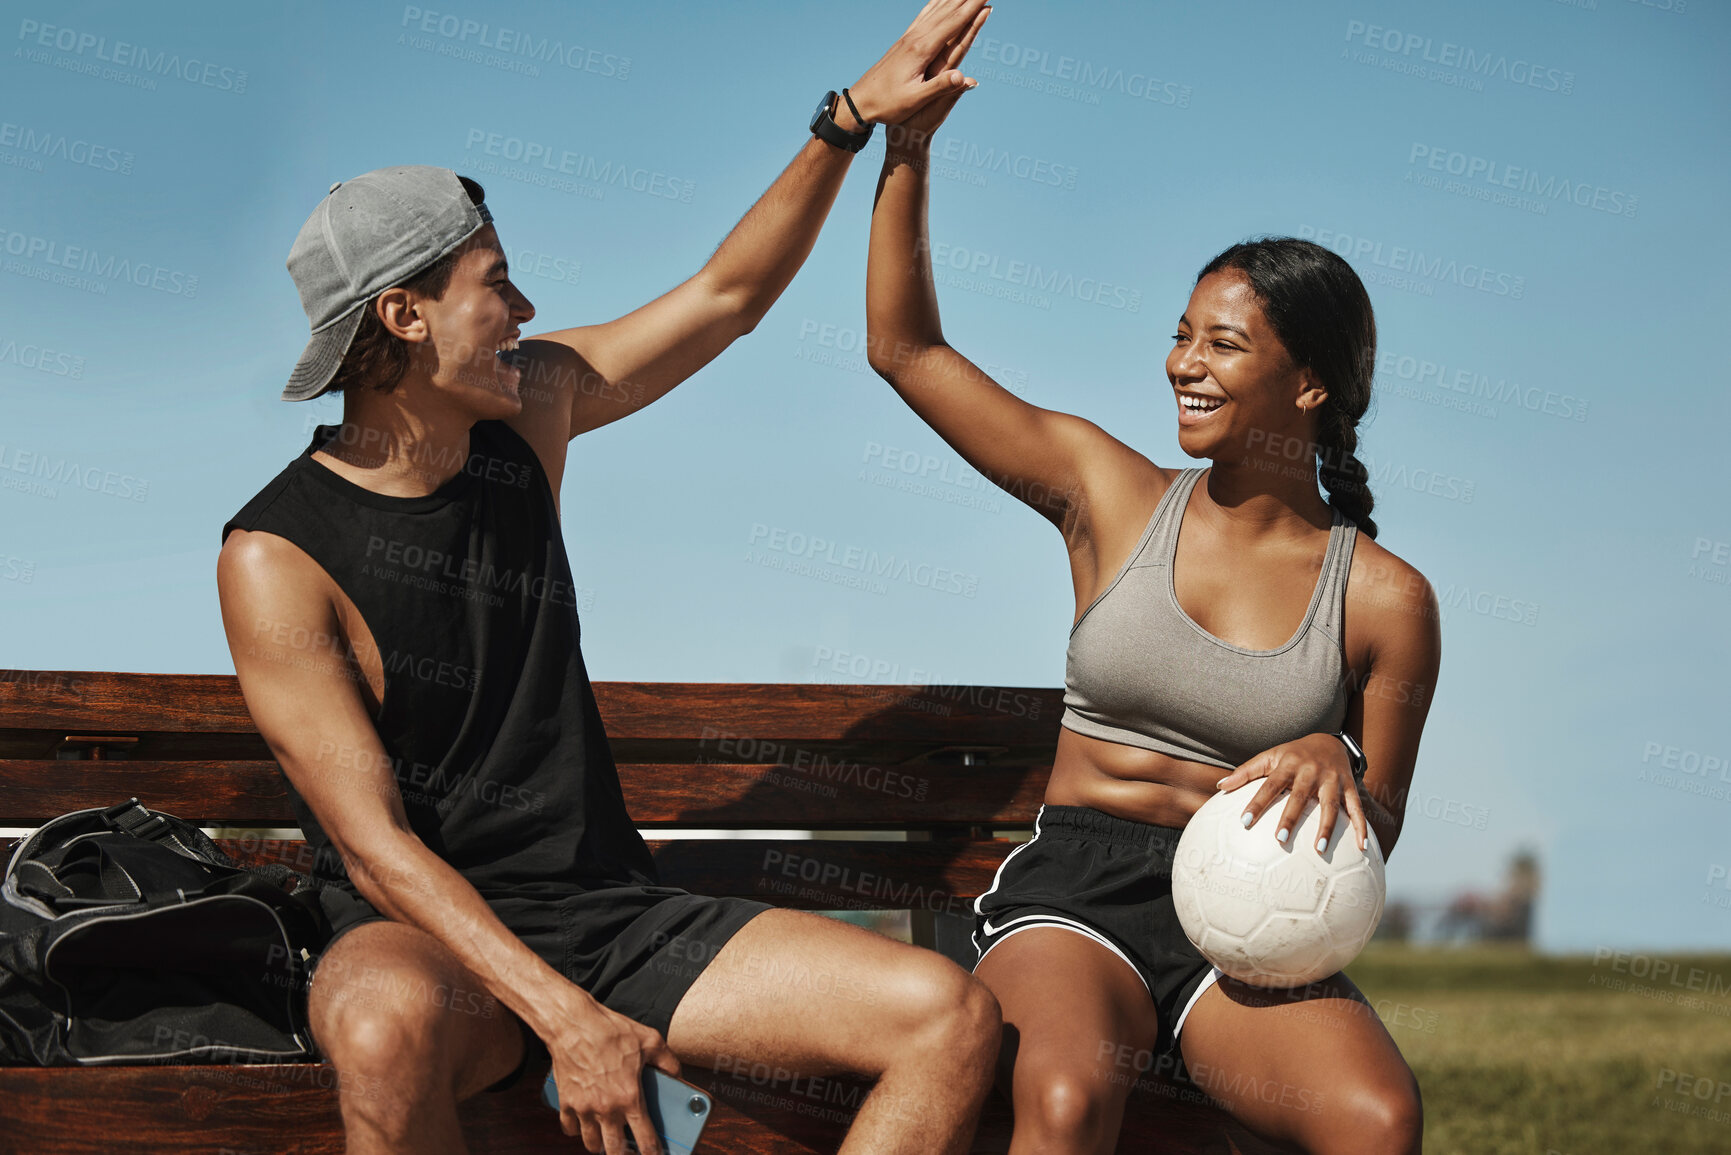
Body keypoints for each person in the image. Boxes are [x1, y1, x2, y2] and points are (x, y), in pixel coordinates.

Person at [216, 5, 1002, 1154]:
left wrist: (849, 122)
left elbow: (725, 298)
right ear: (403, 313)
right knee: (382, 1033)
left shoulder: (530, 410)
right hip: (426, 943)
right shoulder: (273, 557)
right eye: (497, 282)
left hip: (612, 918)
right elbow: (379, 850)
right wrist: (566, 1020)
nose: (527, 310)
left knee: (950, 1016)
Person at [862, 75, 1441, 1155]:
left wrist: (1339, 761)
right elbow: (907, 353)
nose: (1183, 365)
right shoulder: (1108, 492)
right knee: (1072, 1101)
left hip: (1250, 930)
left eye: (1223, 345)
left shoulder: (1386, 598)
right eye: (1182, 335)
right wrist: (907, 153)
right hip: (1077, 896)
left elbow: (1386, 821)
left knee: (1377, 1120)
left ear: (1309, 385)